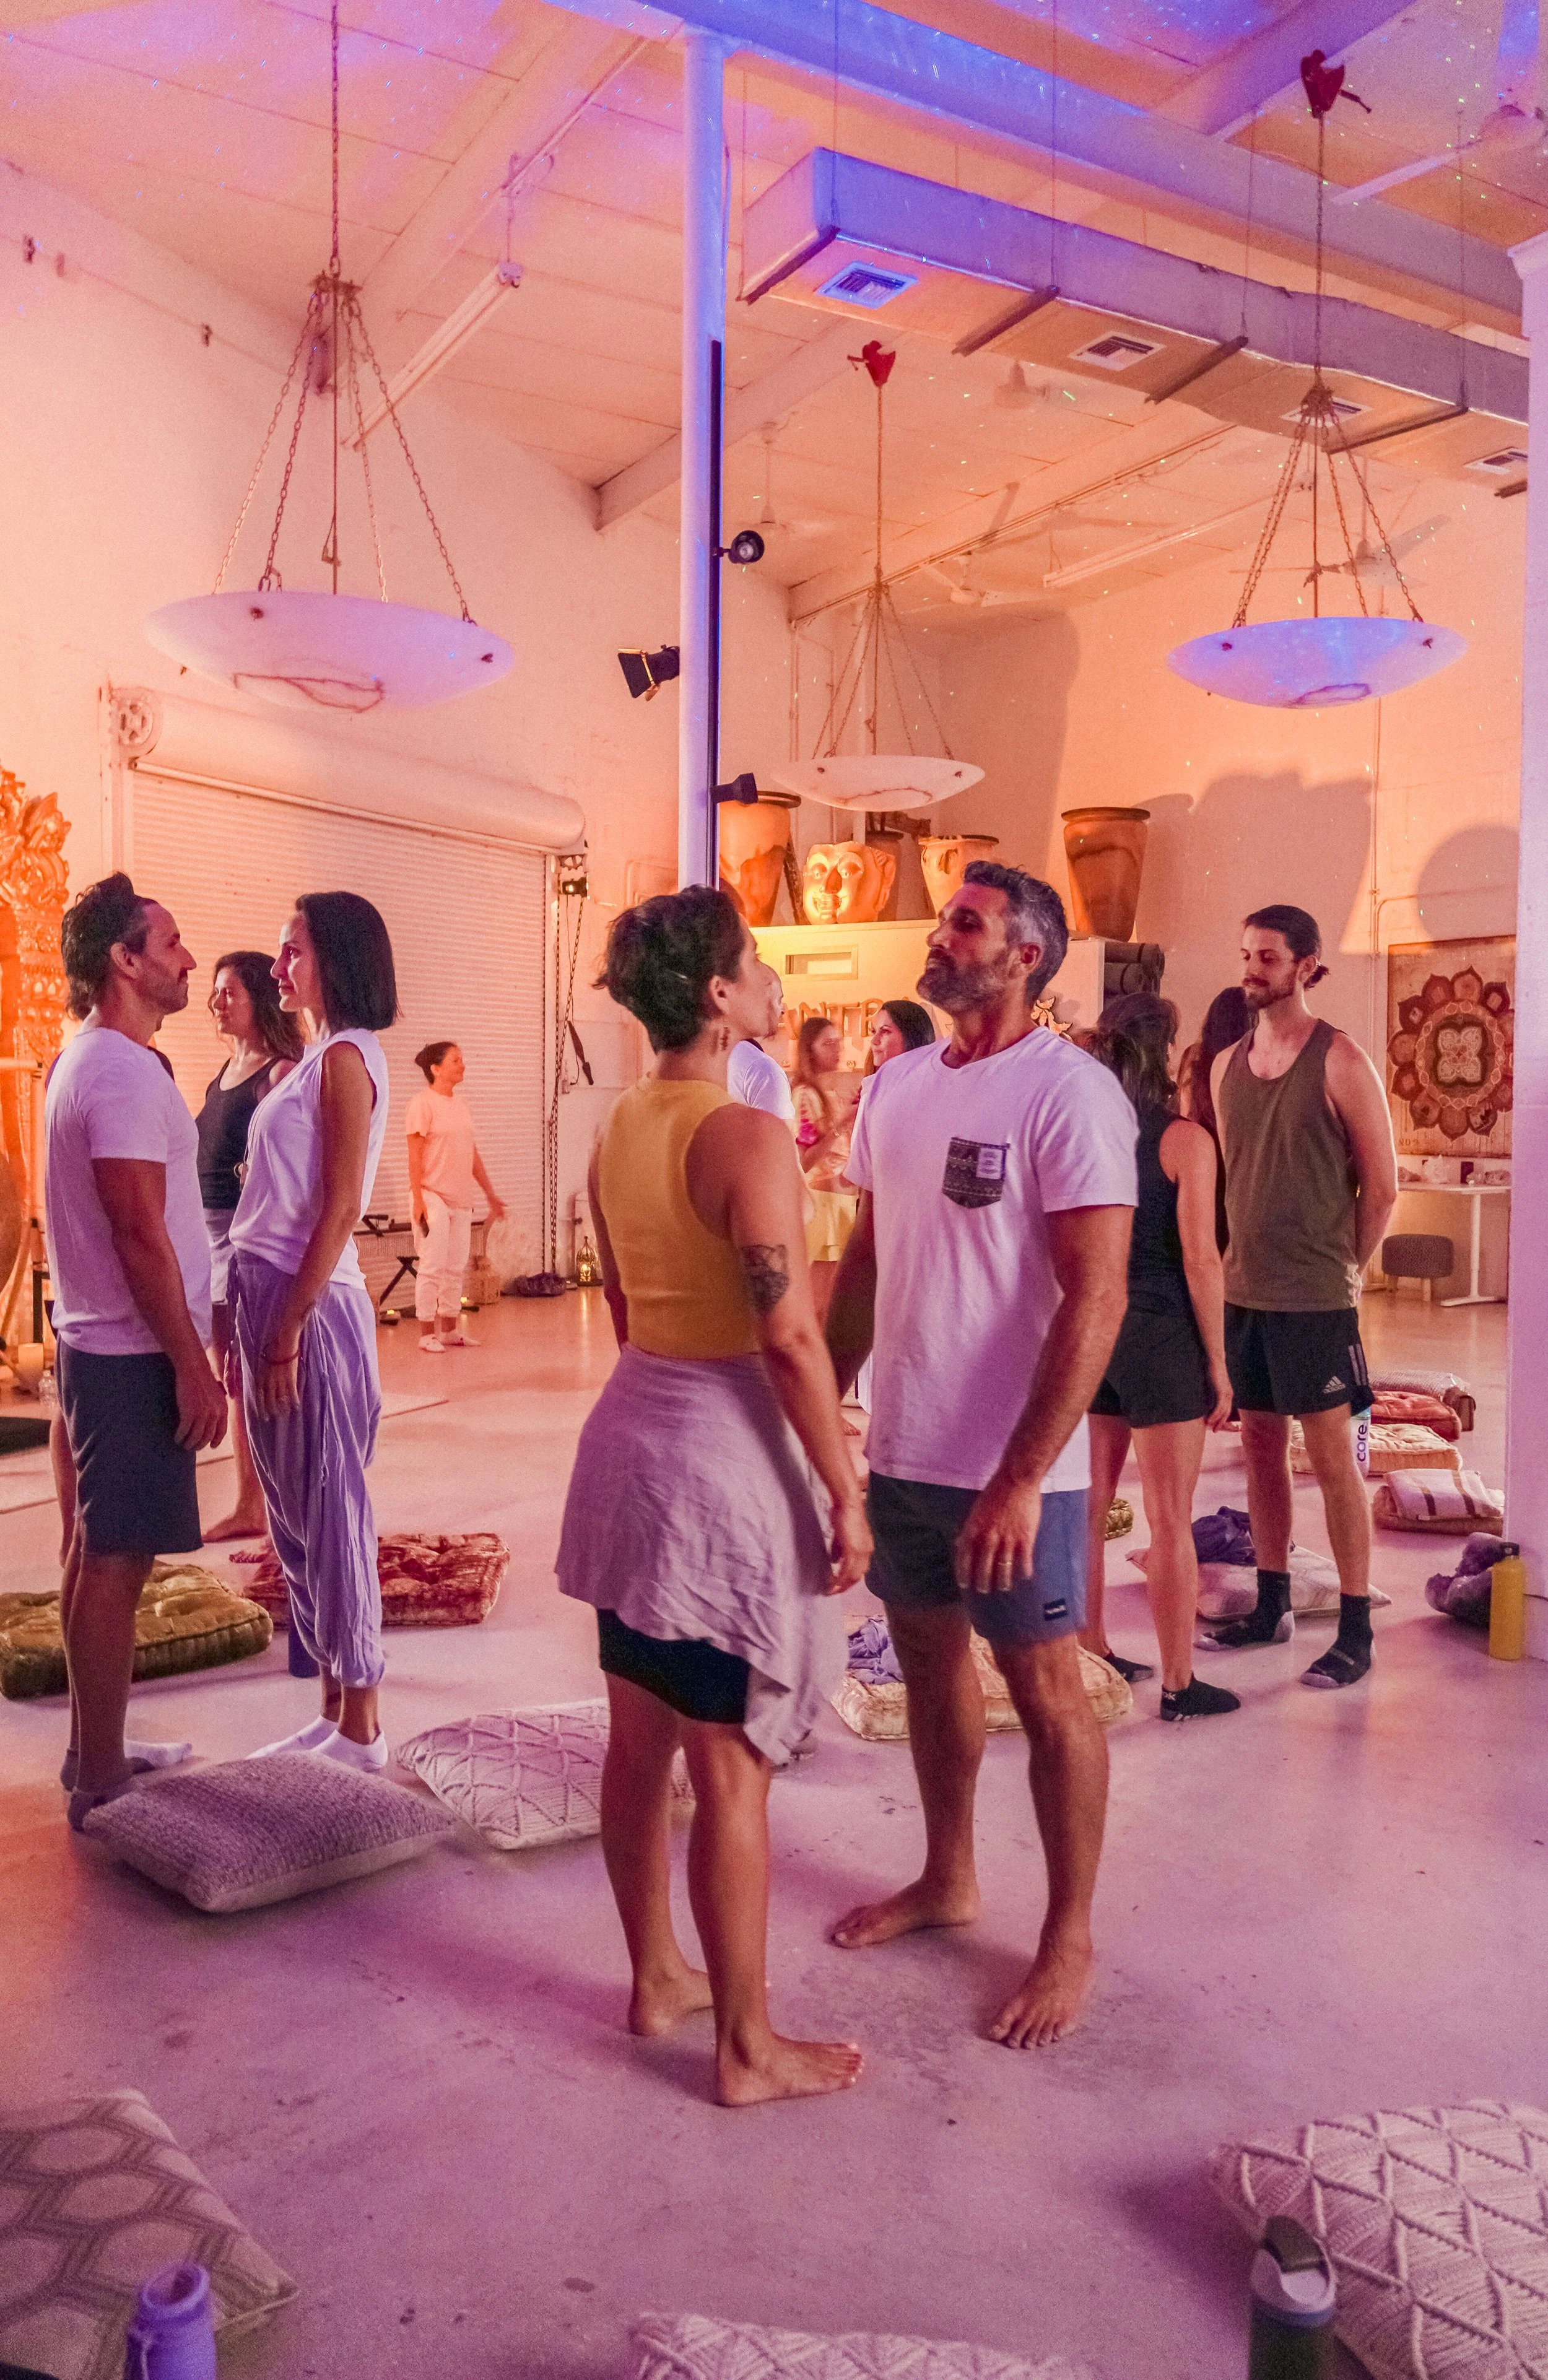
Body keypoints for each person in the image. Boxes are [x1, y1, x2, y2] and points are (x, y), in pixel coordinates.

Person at [556, 887, 870, 2108]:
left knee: (639, 1743)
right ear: (719, 995)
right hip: (711, 1476)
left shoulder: (618, 1127)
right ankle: (745, 2046)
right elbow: (787, 1334)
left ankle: (657, 1977)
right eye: (754, 958)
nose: (770, 975)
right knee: (730, 1767)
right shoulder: (746, 1135)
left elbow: (635, 1314)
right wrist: (839, 1491)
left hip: (629, 1445)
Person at [826, 861, 1136, 2048]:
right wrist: (824, 1415)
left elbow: (1095, 1299)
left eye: (965, 919)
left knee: (1050, 1691)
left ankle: (1069, 1930)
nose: (938, 931)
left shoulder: (1072, 1094)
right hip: (905, 1442)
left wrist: (1019, 1474)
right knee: (927, 1655)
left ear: (1028, 954)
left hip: (1019, 1467)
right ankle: (948, 1873)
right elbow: (862, 1265)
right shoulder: (898, 1086)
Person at [45, 874, 227, 1829]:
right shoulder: (114, 1070)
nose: (187, 958)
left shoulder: (95, 1061)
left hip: (103, 1347)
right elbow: (137, 1232)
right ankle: (102, 1779)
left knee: (96, 1554)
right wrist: (193, 1362)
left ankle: (96, 1748)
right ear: (125, 960)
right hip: (128, 1355)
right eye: (171, 941)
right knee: (116, 1563)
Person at [1206, 905, 1398, 1689]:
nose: (1250, 968)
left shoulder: (1341, 1059)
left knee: (1330, 1460)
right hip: (1243, 1292)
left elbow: (1382, 1188)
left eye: (1267, 957)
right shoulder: (1224, 1066)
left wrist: (1342, 1271)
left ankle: (1354, 1626)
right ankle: (1272, 1600)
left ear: (1306, 966)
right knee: (1257, 1449)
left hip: (1317, 1299)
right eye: (1246, 953)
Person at [229, 892, 398, 1767]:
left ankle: (363, 1719)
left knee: (331, 1507)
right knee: (292, 1516)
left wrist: (287, 1329)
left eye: (291, 947)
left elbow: (339, 1210)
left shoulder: (346, 1060)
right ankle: (333, 1704)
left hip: (313, 1305)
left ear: (334, 957)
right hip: (270, 1296)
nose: (278, 963)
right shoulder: (307, 1060)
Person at [1079, 994, 1238, 1720]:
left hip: (1094, 1327)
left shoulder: (1085, 1130)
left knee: (1088, 1505)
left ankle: (1091, 1650)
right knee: (1169, 1516)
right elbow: (1202, 1259)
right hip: (1161, 1332)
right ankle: (1179, 1683)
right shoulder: (1183, 1141)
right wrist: (1219, 1363)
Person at [196, 952, 303, 1536]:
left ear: (259, 998)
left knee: (255, 1376)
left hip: (246, 1239)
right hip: (208, 1233)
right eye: (216, 992)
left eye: (228, 992)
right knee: (231, 1375)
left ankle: (265, 1501)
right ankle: (248, 1500)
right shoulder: (225, 1071)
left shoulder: (280, 1071)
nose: (217, 1002)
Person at [406, 1040, 505, 1352]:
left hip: (461, 1199)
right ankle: (426, 1333)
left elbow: (471, 1154)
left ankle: (449, 1329)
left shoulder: (461, 1105)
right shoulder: (422, 1104)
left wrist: (491, 1196)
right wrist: (419, 1200)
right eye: (456, 1060)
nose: (463, 1065)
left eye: (462, 1059)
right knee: (432, 1265)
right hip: (431, 1195)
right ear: (436, 1069)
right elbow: (415, 1156)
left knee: (456, 1266)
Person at [791, 1015, 860, 1320]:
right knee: (822, 1304)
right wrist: (841, 1126)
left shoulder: (829, 1092)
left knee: (835, 1300)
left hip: (841, 1200)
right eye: (828, 1044)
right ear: (810, 1049)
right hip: (824, 1204)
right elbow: (804, 1162)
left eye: (838, 1043)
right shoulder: (805, 1095)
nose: (837, 1050)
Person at [1178, 985, 1251, 1250]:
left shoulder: (1194, 1057)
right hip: (1242, 1160)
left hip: (1204, 1157)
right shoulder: (1251, 1060)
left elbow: (1187, 1115)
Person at [726, 956, 795, 1123]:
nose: (782, 1011)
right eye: (779, 1000)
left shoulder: (715, 1057)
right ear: (761, 1002)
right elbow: (779, 1142)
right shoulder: (762, 1069)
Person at [866, 999, 936, 1072]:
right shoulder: (874, 1081)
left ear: (911, 1036)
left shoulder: (930, 1080)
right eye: (874, 1031)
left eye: (885, 1031)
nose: (874, 1041)